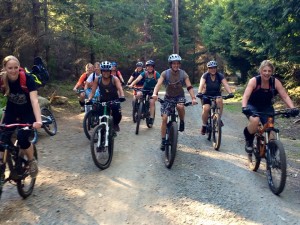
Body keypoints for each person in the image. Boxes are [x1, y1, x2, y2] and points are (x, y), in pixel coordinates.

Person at [242, 60, 299, 156]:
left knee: (271, 130)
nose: (267, 73)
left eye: (269, 71)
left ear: (272, 72)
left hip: (267, 107)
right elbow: (246, 96)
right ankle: (249, 140)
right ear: (260, 71)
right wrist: (244, 107)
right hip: (252, 106)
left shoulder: (275, 82)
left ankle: (271, 157)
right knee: (255, 121)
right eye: (265, 70)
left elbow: (284, 96)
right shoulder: (254, 81)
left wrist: (292, 108)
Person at [0, 55, 42, 178]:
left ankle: (31, 160)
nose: (13, 71)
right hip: (11, 111)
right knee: (2, 138)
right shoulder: (2, 80)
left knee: (22, 138)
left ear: (19, 67)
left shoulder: (27, 79)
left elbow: (34, 101)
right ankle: (1, 167)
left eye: (16, 67)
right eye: (10, 68)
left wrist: (38, 120)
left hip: (27, 113)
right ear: (4, 68)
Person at [152, 54, 197, 150]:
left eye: (177, 63)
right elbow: (158, 84)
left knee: (180, 107)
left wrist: (193, 98)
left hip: (179, 96)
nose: (175, 65)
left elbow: (189, 86)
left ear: (179, 64)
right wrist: (155, 93)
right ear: (170, 64)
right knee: (164, 118)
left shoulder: (183, 74)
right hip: (168, 97)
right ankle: (163, 140)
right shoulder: (165, 73)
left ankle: (182, 121)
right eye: (173, 63)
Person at [197, 60, 234, 135]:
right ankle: (204, 125)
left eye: (214, 68)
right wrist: (199, 92)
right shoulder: (205, 75)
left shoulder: (219, 75)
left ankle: (218, 118)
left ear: (216, 68)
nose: (213, 69)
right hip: (206, 95)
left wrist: (230, 93)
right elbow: (201, 84)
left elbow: (225, 84)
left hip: (217, 94)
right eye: (211, 68)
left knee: (219, 100)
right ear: (208, 69)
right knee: (206, 108)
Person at [87, 61, 125, 132]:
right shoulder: (97, 79)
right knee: (98, 111)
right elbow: (93, 91)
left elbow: (120, 89)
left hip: (114, 100)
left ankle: (115, 124)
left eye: (107, 71)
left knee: (117, 113)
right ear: (101, 71)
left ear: (110, 71)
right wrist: (89, 99)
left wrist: (122, 96)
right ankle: (100, 126)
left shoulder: (114, 79)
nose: (106, 72)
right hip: (103, 99)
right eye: (104, 71)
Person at [128, 60, 160, 125]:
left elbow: (159, 83)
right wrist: (131, 84)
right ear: (146, 67)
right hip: (145, 89)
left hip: (153, 90)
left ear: (153, 67)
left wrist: (156, 92)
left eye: (151, 67)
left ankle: (151, 117)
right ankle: (139, 109)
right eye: (148, 67)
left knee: (151, 102)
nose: (150, 68)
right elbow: (137, 79)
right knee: (138, 94)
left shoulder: (156, 74)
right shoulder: (144, 73)